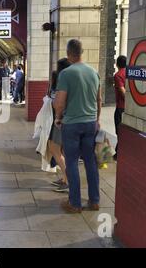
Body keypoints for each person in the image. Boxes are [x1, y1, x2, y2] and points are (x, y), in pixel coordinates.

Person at [54, 39, 102, 213]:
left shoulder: (66, 73)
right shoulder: (94, 73)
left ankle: (75, 203)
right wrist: (97, 119)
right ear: (82, 52)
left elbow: (59, 102)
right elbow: (99, 100)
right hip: (90, 124)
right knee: (90, 161)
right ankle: (94, 201)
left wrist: (58, 117)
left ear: (68, 54)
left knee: (72, 162)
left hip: (72, 124)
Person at [48, 58, 71, 193]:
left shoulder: (62, 79)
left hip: (60, 120)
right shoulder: (70, 79)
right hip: (65, 119)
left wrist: (57, 117)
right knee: (60, 150)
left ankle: (67, 179)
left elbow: (59, 102)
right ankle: (64, 178)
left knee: (54, 149)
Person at [114, 55, 127, 160]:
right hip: (128, 108)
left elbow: (123, 92)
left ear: (117, 64)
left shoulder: (118, 75)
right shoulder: (129, 73)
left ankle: (119, 154)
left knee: (119, 131)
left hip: (121, 107)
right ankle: (118, 152)